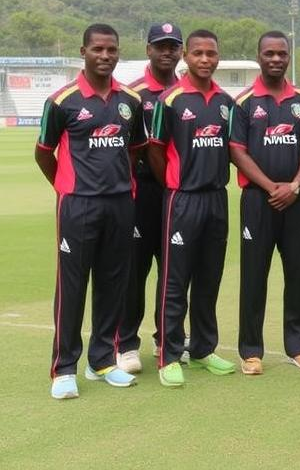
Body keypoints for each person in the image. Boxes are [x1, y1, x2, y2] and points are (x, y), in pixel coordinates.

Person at [35, 23, 146, 399]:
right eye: (97, 49)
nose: (105, 55)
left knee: (114, 284)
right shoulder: (62, 101)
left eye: (111, 49)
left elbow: (134, 150)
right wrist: (67, 186)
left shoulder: (130, 101)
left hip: (120, 205)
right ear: (83, 51)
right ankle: (63, 368)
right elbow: (43, 153)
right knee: (72, 286)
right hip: (78, 205)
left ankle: (101, 361)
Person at [148, 29, 236, 387]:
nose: (204, 59)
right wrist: (173, 184)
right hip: (182, 200)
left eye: (210, 54)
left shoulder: (227, 102)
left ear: (217, 57)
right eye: (198, 53)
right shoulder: (170, 100)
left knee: (209, 277)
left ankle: (202, 349)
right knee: (175, 280)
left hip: (217, 198)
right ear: (186, 56)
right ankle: (169, 354)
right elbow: (154, 149)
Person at [229, 31, 300, 375]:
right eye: (270, 53)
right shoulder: (245, 102)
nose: (276, 59)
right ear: (259, 56)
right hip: (258, 200)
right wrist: (270, 187)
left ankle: (299, 348)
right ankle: (251, 350)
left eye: (282, 53)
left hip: (297, 200)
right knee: (254, 275)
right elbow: (236, 150)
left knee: (297, 275)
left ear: (289, 56)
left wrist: (295, 185)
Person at [117, 23, 183, 374]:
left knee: (174, 270)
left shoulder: (188, 91)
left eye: (173, 46)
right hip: (144, 192)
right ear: (148, 50)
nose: (167, 52)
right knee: (135, 269)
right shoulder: (134, 95)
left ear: (181, 51)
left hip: (179, 192)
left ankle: (168, 338)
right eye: (161, 46)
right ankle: (126, 344)